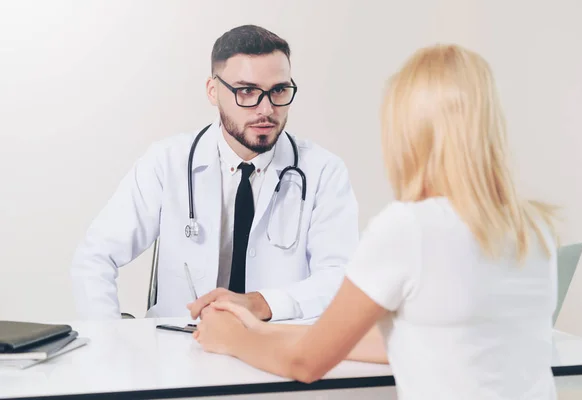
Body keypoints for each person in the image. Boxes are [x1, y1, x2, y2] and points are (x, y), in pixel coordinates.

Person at [191, 43, 559, 399]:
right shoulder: (534, 227)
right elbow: (400, 340)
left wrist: (232, 338)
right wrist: (259, 330)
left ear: (409, 132)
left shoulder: (408, 228)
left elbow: (305, 364)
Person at [70, 24, 359, 322]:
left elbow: (341, 278)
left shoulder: (324, 172)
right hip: (179, 350)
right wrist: (108, 339)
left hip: (277, 351)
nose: (266, 109)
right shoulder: (166, 162)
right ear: (213, 91)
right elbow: (94, 257)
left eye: (278, 91)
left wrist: (261, 304)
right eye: (247, 91)